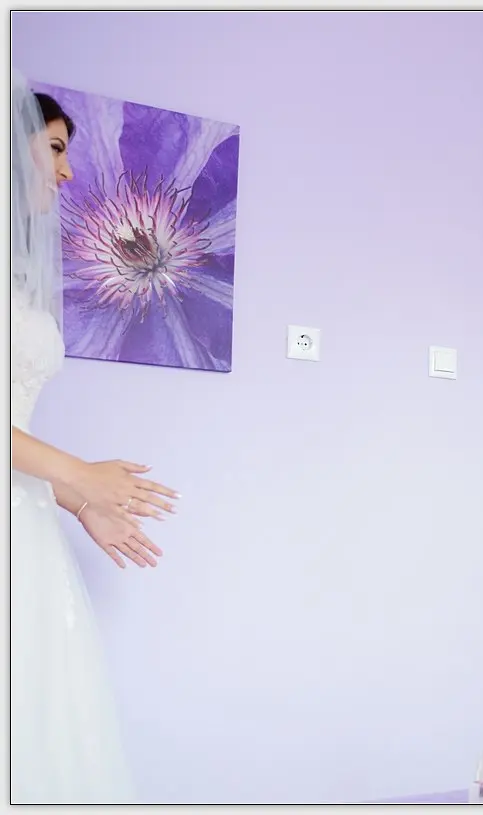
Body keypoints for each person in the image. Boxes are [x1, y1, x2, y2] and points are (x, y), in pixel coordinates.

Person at [10, 73, 180, 803]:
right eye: (54, 148)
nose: (67, 171)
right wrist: (78, 474)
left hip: (22, 520)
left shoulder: (19, 280)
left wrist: (75, 499)